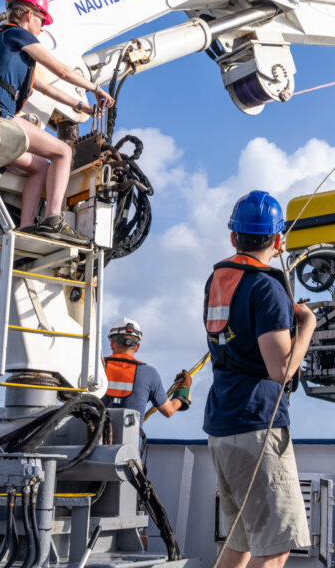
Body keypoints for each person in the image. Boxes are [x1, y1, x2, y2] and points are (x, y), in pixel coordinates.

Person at [202, 191, 316, 568]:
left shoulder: (217, 281)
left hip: (222, 424)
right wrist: (308, 327)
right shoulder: (267, 287)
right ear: (279, 240)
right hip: (256, 426)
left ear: (234, 237)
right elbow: (281, 370)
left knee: (241, 542)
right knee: (273, 549)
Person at [0, 0, 115, 241]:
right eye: (41, 20)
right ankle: (53, 219)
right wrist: (95, 88)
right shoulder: (18, 35)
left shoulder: (1, 44)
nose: (42, 28)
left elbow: (47, 88)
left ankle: (26, 226)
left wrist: (82, 107)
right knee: (63, 151)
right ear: (28, 15)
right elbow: (62, 72)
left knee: (40, 166)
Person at [101, 317, 192, 419]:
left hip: (89, 434)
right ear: (137, 347)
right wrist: (183, 390)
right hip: (131, 435)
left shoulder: (95, 368)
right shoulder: (149, 373)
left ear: (112, 344)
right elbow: (169, 410)